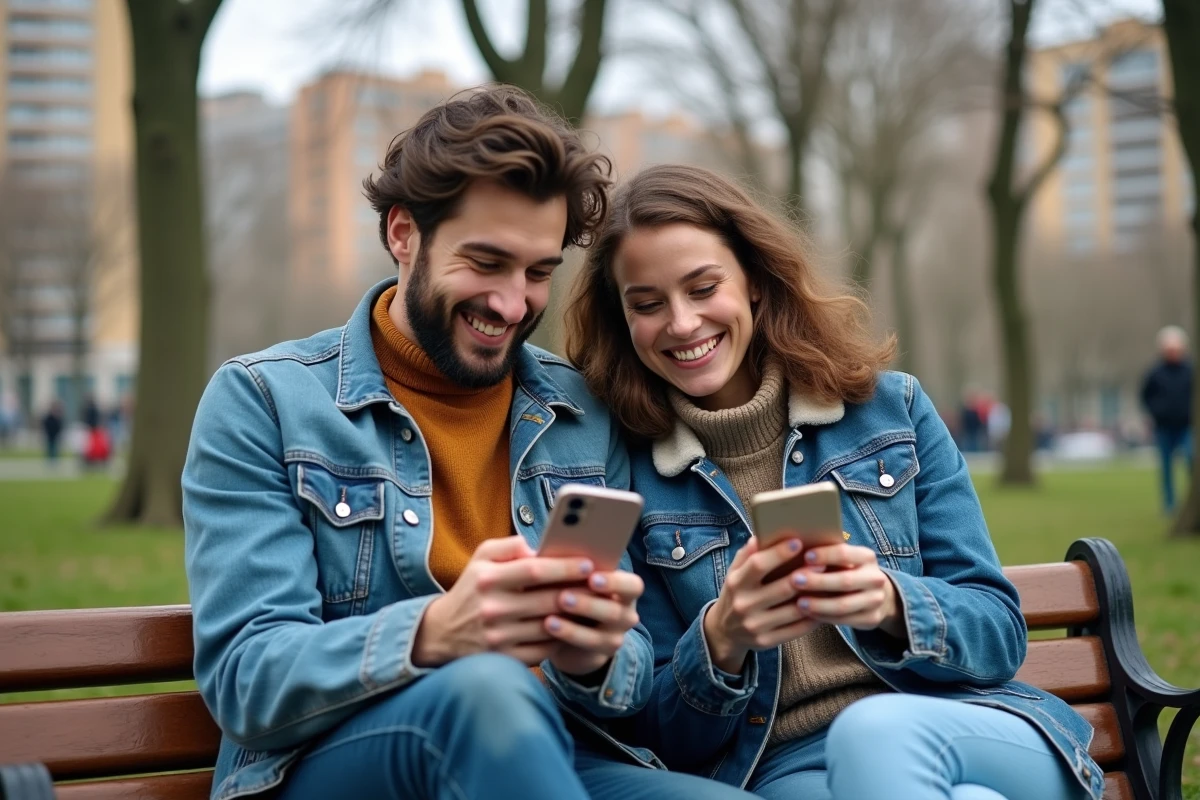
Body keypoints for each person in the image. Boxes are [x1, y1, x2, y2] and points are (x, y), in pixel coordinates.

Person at [183, 88, 752, 800]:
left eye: (539, 273)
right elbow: (248, 680)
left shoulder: (581, 410)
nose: (513, 304)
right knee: (483, 692)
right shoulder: (265, 402)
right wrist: (433, 631)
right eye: (486, 262)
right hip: (337, 765)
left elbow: (632, 670)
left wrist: (593, 658)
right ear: (403, 234)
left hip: (551, 752)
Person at [563, 164, 1102, 800]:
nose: (681, 324)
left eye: (703, 288)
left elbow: (998, 630)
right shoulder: (631, 480)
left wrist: (889, 603)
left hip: (968, 727)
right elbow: (659, 733)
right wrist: (722, 639)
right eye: (647, 305)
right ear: (623, 320)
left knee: (875, 734)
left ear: (755, 283)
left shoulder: (890, 411)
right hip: (791, 768)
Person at [1140, 325, 1193, 512]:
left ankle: (1192, 501)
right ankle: (1169, 505)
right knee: (1166, 468)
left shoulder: (1190, 371)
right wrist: (1157, 412)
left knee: (1191, 458)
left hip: (1187, 426)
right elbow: (1145, 396)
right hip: (1164, 427)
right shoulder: (1155, 373)